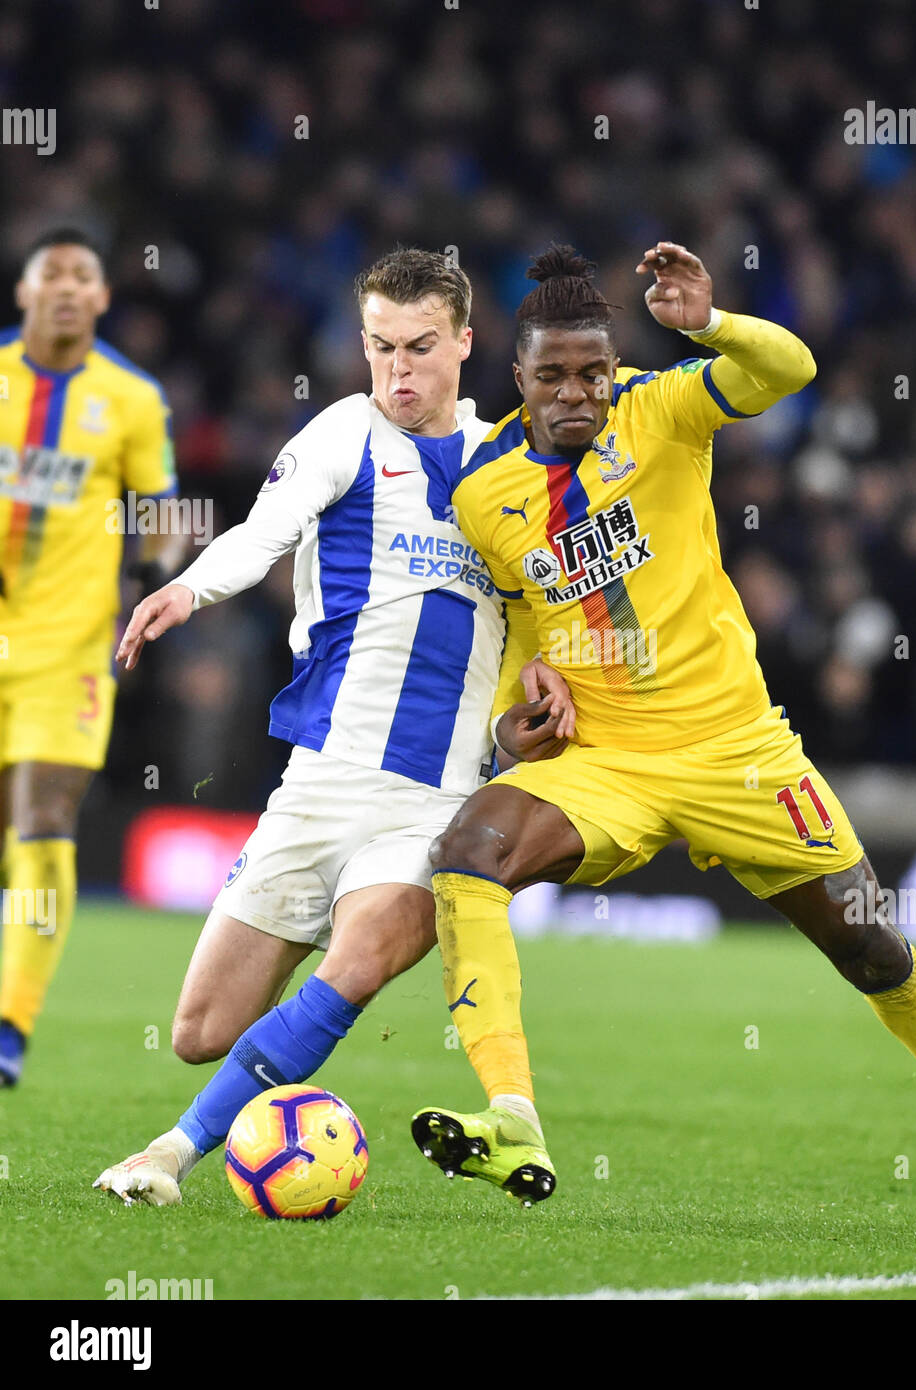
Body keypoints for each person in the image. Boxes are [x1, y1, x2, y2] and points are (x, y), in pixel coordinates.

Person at [411, 242, 916, 1239]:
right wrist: (513, 707)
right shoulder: (483, 491)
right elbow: (525, 618)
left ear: (615, 370)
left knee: (870, 945)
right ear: (515, 379)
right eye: (553, 376)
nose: (576, 393)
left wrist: (709, 323)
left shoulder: (661, 409)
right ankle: (513, 1117)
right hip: (604, 761)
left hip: (738, 750)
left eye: (591, 373)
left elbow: (788, 370)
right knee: (466, 852)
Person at [94, 247, 572, 1204]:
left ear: (467, 343)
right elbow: (264, 530)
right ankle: (289, 1044)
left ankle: (168, 1156)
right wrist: (187, 590)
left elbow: (545, 608)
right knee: (200, 1033)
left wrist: (542, 686)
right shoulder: (344, 434)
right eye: (380, 347)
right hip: (322, 780)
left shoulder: (511, 461)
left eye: (422, 347)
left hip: (436, 802)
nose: (399, 371)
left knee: (354, 965)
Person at [0, 229, 182, 1087]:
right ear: (25, 291)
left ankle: (10, 1024)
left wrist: (155, 584)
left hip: (66, 647)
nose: (68, 289)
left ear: (104, 298)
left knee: (41, 823)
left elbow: (159, 510)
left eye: (85, 278)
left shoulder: (134, 398)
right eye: (53, 275)